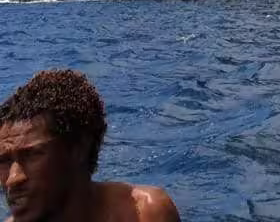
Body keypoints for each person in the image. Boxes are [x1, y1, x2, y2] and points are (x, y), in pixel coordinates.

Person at [0, 70, 178, 222]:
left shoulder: (143, 214)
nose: (13, 179)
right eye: (4, 161)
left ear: (78, 148)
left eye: (32, 155)